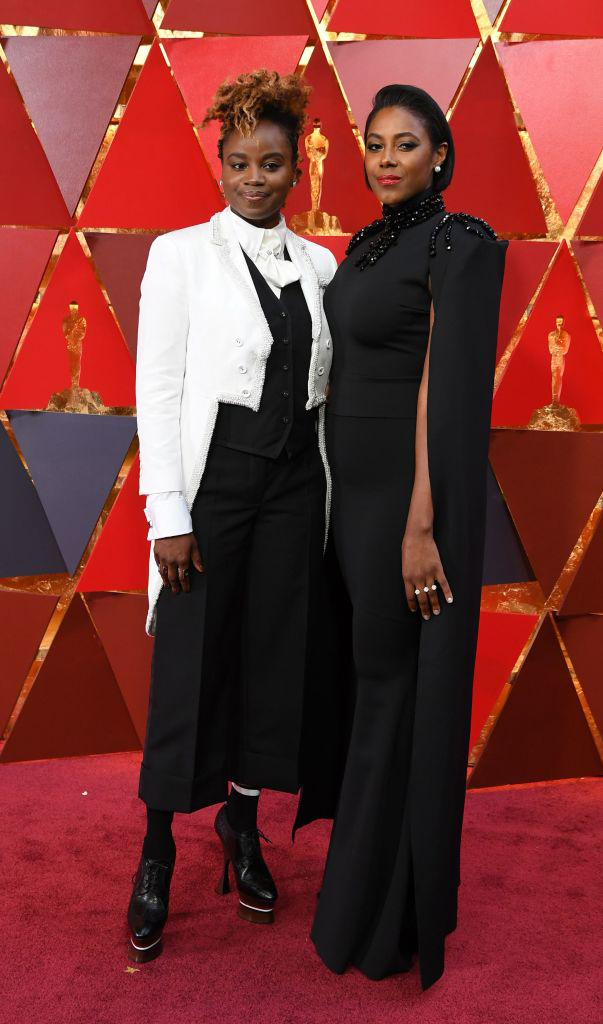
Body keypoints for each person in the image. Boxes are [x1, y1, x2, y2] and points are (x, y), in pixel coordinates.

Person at [295, 84, 507, 990]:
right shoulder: (363, 245)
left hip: (402, 501)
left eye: (405, 144)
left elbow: (442, 390)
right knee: (368, 680)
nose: (385, 158)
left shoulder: (458, 243)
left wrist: (422, 523)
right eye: (374, 144)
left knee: (388, 686)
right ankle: (374, 891)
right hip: (349, 493)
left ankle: (377, 919)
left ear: (440, 157)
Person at [128, 69, 337, 963]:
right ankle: (154, 852)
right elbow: (160, 385)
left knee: (271, 663)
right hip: (212, 493)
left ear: (296, 171)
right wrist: (165, 512)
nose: (254, 177)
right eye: (239, 162)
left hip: (295, 492)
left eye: (272, 163)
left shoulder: (322, 264)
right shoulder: (180, 254)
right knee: (190, 664)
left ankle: (241, 828)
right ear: (220, 163)